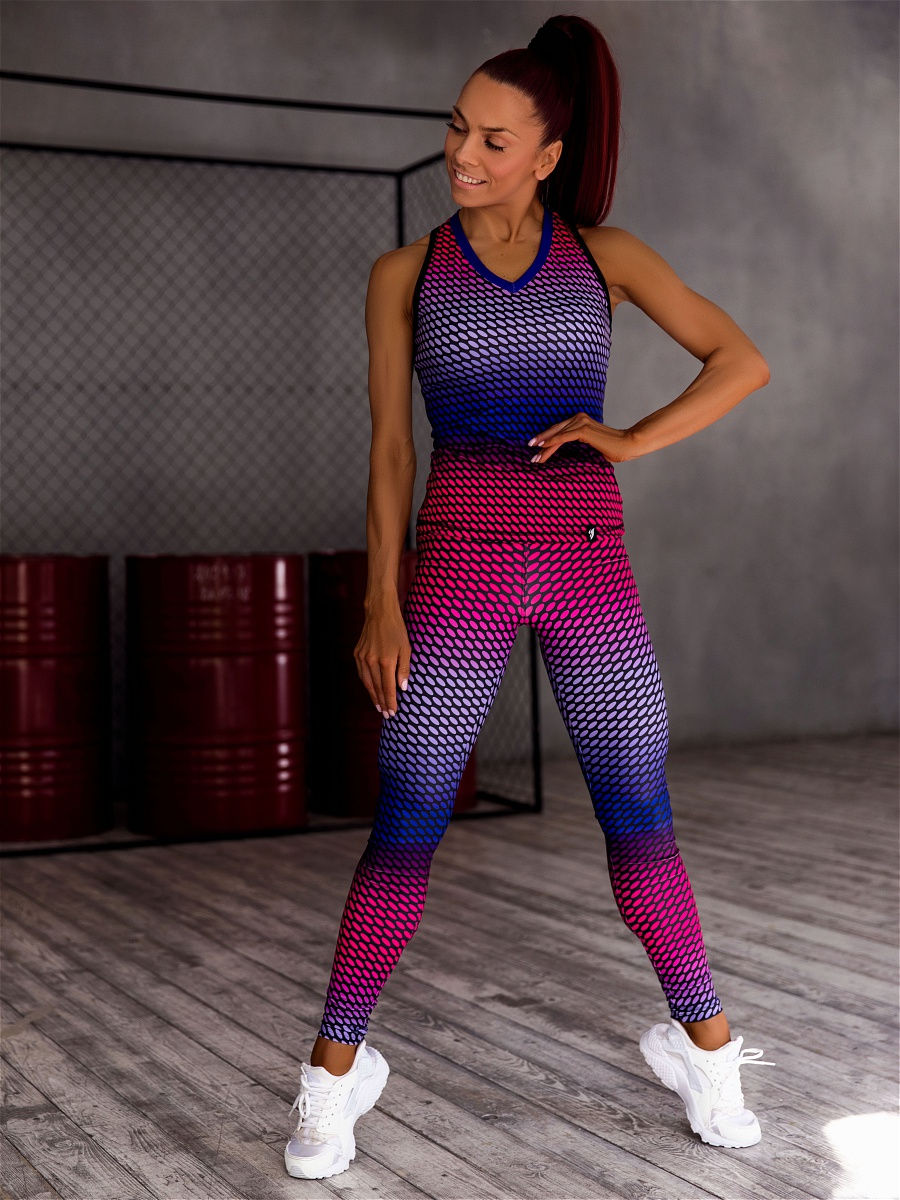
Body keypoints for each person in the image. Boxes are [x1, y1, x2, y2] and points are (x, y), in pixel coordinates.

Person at [284, 13, 776, 1182]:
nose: (462, 153)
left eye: (493, 139)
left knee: (639, 817)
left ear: (547, 156)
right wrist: (381, 600)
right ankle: (333, 1078)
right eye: (458, 127)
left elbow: (742, 359)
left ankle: (705, 1052)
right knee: (406, 825)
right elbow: (391, 451)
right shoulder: (406, 274)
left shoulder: (606, 257)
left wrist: (632, 437)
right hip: (456, 567)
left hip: (589, 566)